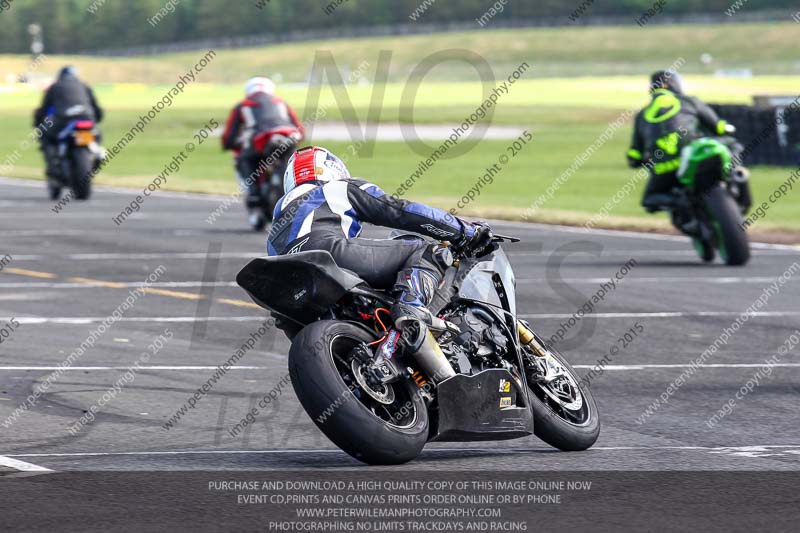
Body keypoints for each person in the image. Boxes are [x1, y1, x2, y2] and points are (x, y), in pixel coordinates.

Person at [268, 146, 493, 342]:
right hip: (330, 254)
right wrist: (463, 230)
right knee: (426, 249)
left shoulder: (278, 217)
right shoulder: (336, 187)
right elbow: (399, 210)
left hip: (286, 286)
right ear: (333, 169)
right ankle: (411, 305)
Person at [627, 70, 749, 213]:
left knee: (649, 199)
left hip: (663, 169)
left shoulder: (642, 115)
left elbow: (634, 154)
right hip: (693, 155)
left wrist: (637, 161)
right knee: (733, 144)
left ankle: (680, 202)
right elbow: (719, 126)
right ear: (674, 84)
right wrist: (727, 129)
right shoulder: (689, 101)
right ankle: (735, 176)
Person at [222, 77, 305, 225]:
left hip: (260, 142)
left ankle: (254, 194)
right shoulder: (281, 103)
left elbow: (229, 136)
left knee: (244, 159)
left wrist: (229, 144)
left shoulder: (242, 106)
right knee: (290, 161)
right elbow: (300, 129)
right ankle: (295, 192)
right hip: (289, 137)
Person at [33, 66, 103, 178]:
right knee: (97, 134)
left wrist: (37, 123)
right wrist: (96, 119)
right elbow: (97, 110)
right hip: (86, 118)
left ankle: (53, 164)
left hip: (64, 119)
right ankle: (97, 153)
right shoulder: (84, 86)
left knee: (45, 134)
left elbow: (43, 109)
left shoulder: (55, 87)